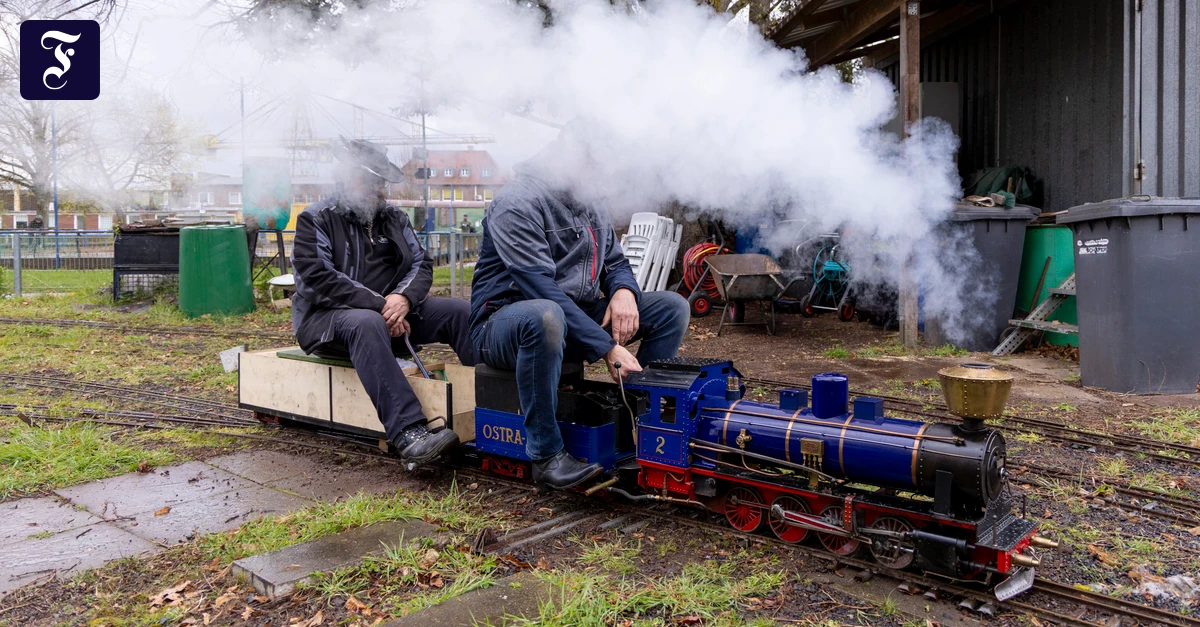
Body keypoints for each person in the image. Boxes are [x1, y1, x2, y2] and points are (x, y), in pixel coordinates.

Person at [469, 123, 690, 491]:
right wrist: (606, 347)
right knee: (544, 316)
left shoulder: (589, 198)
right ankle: (546, 454)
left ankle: (638, 424)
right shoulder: (516, 201)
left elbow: (616, 262)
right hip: (505, 325)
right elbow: (541, 289)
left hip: (569, 319)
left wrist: (623, 292)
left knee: (672, 307)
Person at [291, 137, 477, 467]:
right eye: (372, 181)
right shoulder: (315, 219)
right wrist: (381, 306)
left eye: (382, 183)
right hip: (326, 322)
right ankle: (409, 432)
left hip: (391, 315)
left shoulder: (395, 219)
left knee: (459, 311)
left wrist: (403, 298)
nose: (380, 190)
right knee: (366, 321)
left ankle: (496, 404)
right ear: (347, 177)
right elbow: (316, 277)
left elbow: (422, 264)